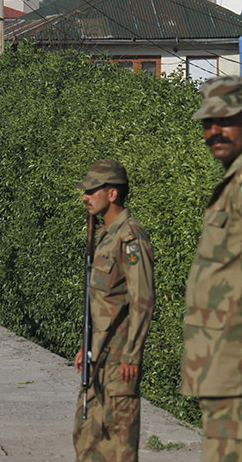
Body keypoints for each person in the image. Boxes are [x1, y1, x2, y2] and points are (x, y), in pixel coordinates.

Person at [72, 159, 155, 462]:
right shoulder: (105, 236)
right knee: (88, 439)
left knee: (119, 444)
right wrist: (86, 345)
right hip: (98, 358)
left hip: (120, 362)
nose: (85, 196)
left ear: (112, 194)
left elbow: (142, 299)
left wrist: (132, 354)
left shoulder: (130, 237)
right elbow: (100, 303)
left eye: (92, 190)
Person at [184, 75, 242, 461]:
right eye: (207, 122)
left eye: (225, 119)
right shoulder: (231, 182)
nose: (214, 131)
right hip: (221, 367)